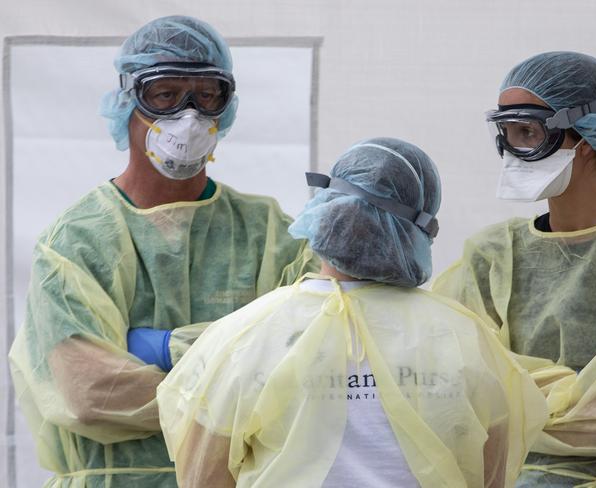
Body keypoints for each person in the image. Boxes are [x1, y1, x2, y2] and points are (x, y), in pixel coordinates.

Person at [9, 15, 317, 487]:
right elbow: (89, 393)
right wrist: (231, 358)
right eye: (165, 95)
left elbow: (304, 363)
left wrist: (159, 348)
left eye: (206, 95)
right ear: (128, 98)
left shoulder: (270, 233)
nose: (188, 117)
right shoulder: (76, 240)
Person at [157, 137, 547, 488]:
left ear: (326, 208)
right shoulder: (462, 336)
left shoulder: (246, 335)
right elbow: (493, 472)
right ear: (419, 227)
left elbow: (203, 475)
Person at [432, 51, 596, 486]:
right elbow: (447, 385)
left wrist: (512, 396)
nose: (514, 150)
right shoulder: (493, 254)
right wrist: (568, 393)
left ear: (592, 134)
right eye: (506, 133)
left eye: (529, 132)